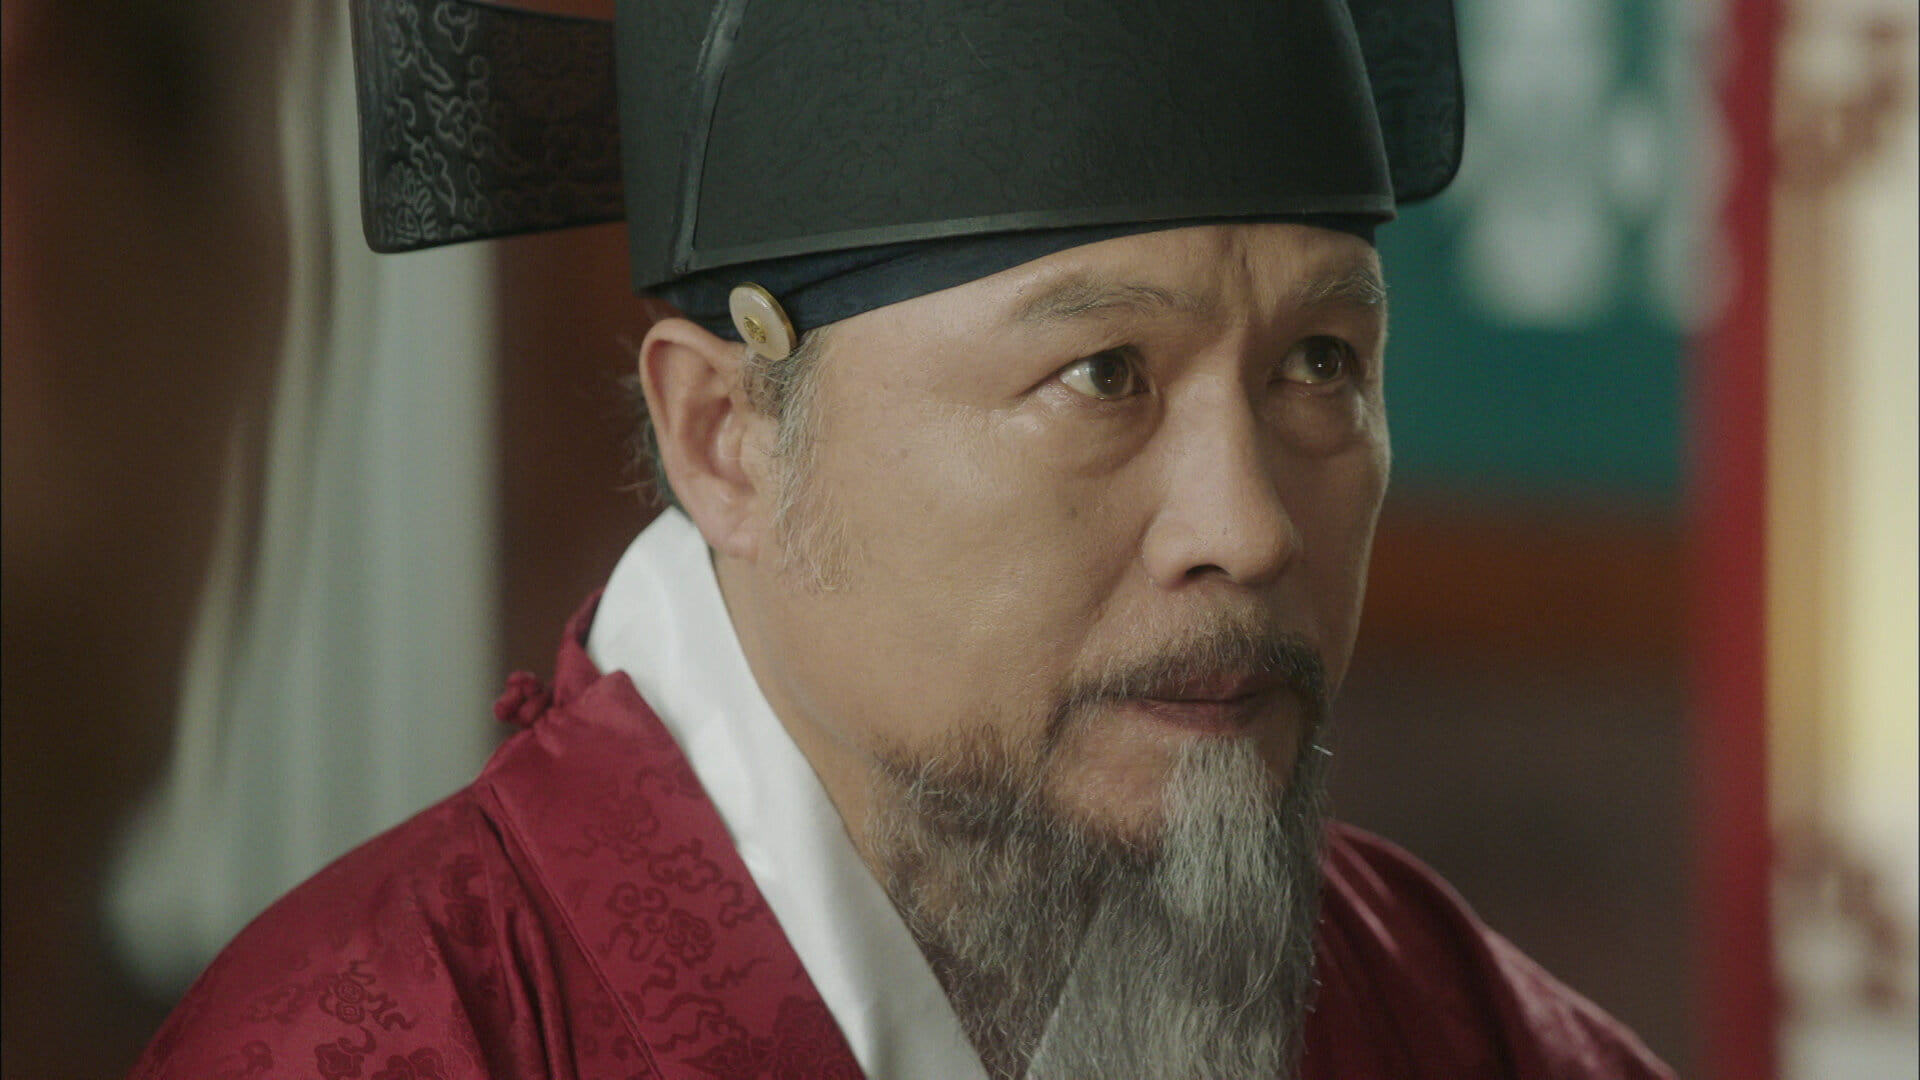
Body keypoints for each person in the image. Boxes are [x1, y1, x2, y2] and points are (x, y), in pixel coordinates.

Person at [131, 0, 1676, 1076]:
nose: (1249, 527)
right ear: (729, 438)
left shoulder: (1446, 1023)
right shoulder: (388, 1037)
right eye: (1103, 376)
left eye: (1321, 365)